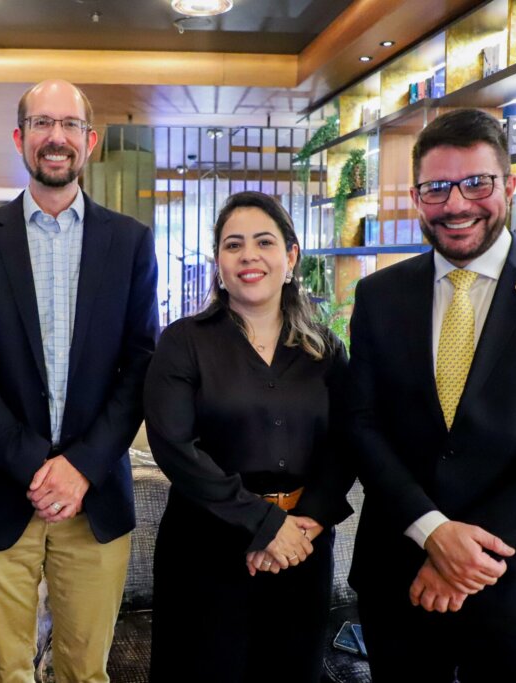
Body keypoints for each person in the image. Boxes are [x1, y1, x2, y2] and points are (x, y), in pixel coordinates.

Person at [347, 109, 516, 682]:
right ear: (417, 196)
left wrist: (464, 558)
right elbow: (363, 424)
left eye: (476, 183)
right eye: (436, 188)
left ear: (510, 185)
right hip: (400, 573)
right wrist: (433, 531)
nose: (456, 204)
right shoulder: (378, 296)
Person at [0, 79, 159, 683]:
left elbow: (140, 363)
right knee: (5, 672)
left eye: (68, 125)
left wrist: (80, 466)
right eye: (40, 124)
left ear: (90, 141)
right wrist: (37, 464)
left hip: (96, 500)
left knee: (86, 672)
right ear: (20, 138)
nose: (55, 137)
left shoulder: (131, 243)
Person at [143, 191, 355, 680]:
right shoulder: (184, 342)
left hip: (302, 546)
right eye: (233, 245)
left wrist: (308, 522)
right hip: (206, 547)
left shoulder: (326, 349)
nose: (249, 256)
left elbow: (347, 443)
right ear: (218, 261)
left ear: (291, 254)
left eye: (264, 241)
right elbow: (175, 448)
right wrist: (266, 526)